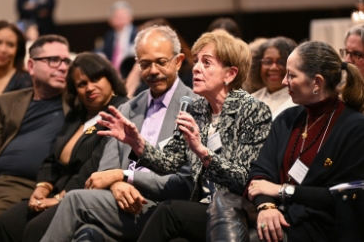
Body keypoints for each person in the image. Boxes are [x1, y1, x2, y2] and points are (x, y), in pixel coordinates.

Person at [92, 30, 272, 242]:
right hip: (200, 206)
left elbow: (243, 178)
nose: (195, 68)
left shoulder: (253, 110)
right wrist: (136, 143)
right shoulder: (197, 110)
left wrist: (202, 151)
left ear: (230, 74)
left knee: (168, 211)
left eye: (206, 63)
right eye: (196, 61)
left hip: (235, 208)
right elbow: (168, 162)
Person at [41, 25, 195, 242]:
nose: (153, 70)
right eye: (145, 64)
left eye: (161, 62)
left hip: (161, 205)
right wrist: (116, 183)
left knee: (75, 202)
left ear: (178, 61)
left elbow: (184, 181)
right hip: (119, 201)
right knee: (84, 234)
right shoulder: (128, 109)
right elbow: (107, 168)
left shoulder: (193, 107)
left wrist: (126, 177)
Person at [0, 52, 129, 242]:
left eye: (95, 79)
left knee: (35, 229)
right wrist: (40, 190)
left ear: (110, 78)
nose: (89, 87)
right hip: (55, 192)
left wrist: (57, 199)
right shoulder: (76, 115)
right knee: (3, 224)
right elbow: (51, 159)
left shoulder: (120, 111)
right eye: (82, 84)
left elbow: (95, 165)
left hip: (82, 196)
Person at [245, 41, 364, 242]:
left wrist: (282, 191)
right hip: (275, 219)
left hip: (320, 230)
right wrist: (267, 207)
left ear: (316, 82)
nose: (284, 81)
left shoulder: (355, 128)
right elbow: (260, 174)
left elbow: (341, 197)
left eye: (291, 75)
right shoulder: (287, 119)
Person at [0, 34, 70, 242]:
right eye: (54, 60)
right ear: (31, 66)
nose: (62, 67)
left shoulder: (76, 105)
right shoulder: (10, 102)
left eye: (66, 61)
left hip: (32, 187)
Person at [251, 37, 298, 120]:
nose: (274, 67)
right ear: (258, 66)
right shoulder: (250, 100)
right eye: (268, 62)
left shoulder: (300, 102)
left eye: (281, 62)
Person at [100, 0, 137, 73]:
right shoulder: (110, 35)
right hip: (113, 71)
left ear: (130, 17)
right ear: (110, 20)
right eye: (117, 17)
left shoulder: (137, 32)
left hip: (131, 70)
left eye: (123, 16)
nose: (120, 19)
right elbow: (103, 50)